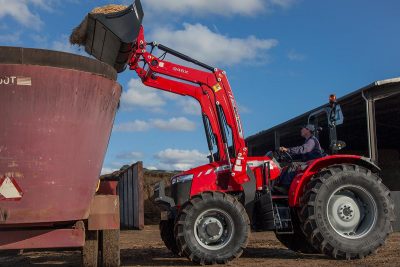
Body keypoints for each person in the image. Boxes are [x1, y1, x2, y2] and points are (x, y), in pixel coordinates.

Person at [274, 124, 324, 193]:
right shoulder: (307, 141)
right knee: (285, 168)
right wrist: (284, 157)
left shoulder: (312, 140)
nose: (301, 130)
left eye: (302, 129)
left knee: (294, 165)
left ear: (308, 130)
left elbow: (303, 149)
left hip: (313, 164)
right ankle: (278, 185)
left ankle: (285, 188)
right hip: (308, 163)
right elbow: (300, 155)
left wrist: (288, 149)